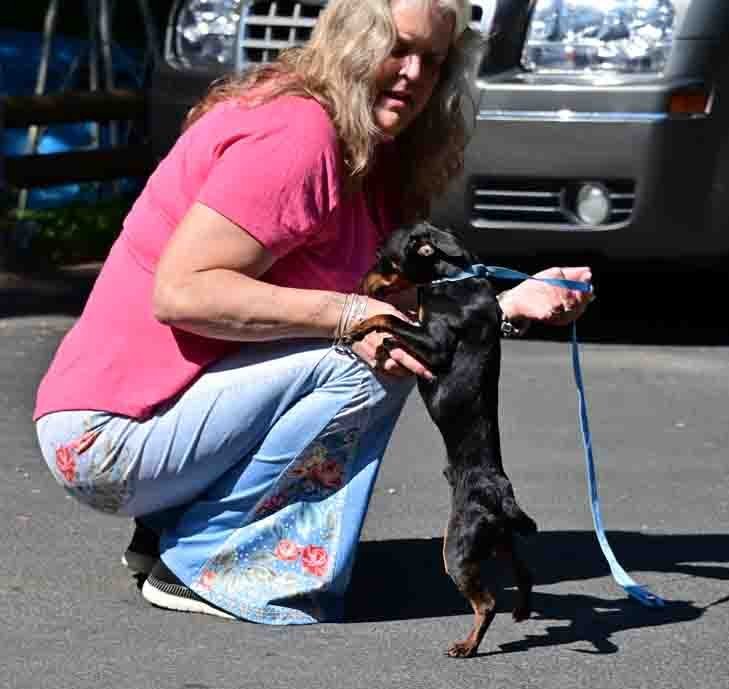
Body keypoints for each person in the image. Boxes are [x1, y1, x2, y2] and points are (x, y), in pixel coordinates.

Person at [34, 0, 593, 625]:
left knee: (377, 332)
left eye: (431, 61)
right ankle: (205, 563)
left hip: (156, 424)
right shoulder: (297, 136)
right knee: (378, 350)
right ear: (353, 42)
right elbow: (184, 293)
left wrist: (508, 303)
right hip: (106, 439)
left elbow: (379, 301)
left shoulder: (368, 150)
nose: (412, 74)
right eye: (396, 48)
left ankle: (178, 531)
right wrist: (353, 315)